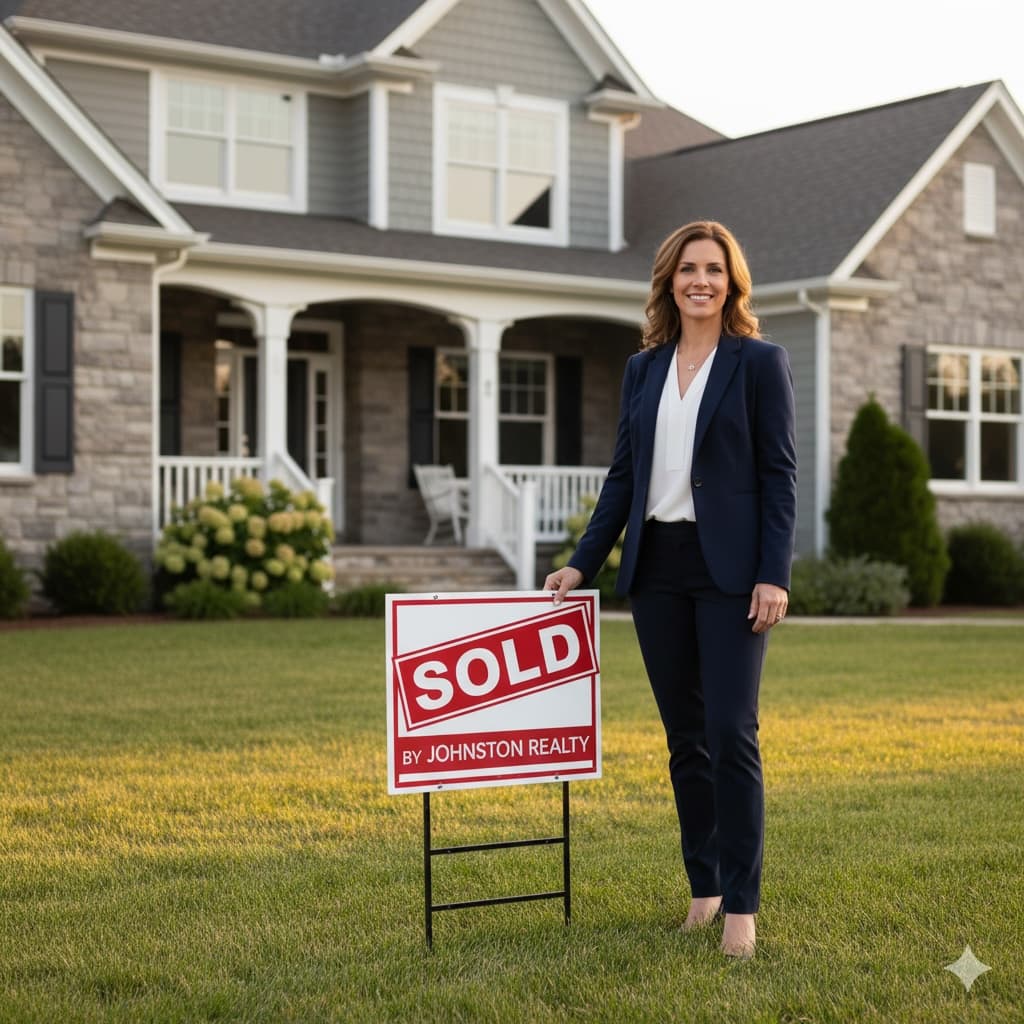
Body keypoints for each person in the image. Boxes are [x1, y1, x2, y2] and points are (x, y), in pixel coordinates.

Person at [544, 220, 797, 959]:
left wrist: (773, 573)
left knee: (730, 734)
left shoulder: (758, 362)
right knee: (684, 742)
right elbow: (623, 476)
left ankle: (743, 907)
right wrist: (582, 563)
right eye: (688, 269)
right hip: (656, 571)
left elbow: (779, 476)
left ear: (732, 282)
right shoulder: (643, 369)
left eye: (714, 269)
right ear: (669, 281)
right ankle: (705, 888)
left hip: (731, 575)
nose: (701, 281)